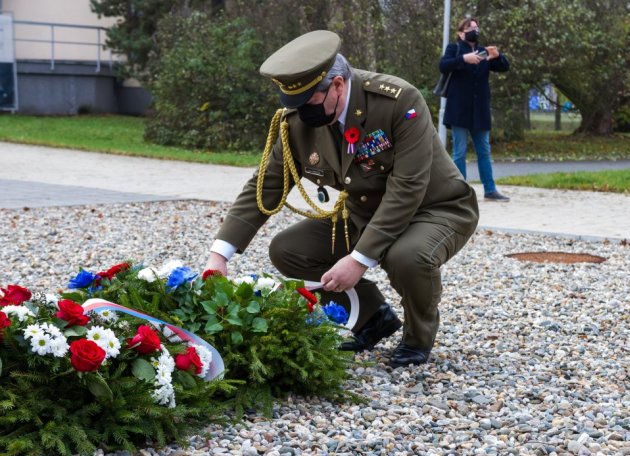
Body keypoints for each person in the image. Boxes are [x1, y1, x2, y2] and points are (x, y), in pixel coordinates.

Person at [203, 30, 479, 368]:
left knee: (404, 256)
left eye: (309, 104)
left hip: (436, 208)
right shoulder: (299, 121)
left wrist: (359, 259)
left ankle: (417, 339)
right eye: (296, 106)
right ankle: (373, 317)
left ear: (337, 86)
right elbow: (266, 185)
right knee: (288, 249)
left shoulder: (398, 102)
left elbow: (407, 188)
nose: (304, 114)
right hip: (365, 213)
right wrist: (220, 255)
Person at [440, 17, 508, 201]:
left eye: (476, 27)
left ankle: (490, 189)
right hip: (459, 109)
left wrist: (497, 56)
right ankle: (460, 192)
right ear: (461, 32)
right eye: (470, 27)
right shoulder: (454, 49)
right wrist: (464, 59)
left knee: (484, 151)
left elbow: (504, 67)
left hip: (480, 110)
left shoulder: (483, 51)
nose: (474, 30)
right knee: (459, 152)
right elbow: (443, 66)